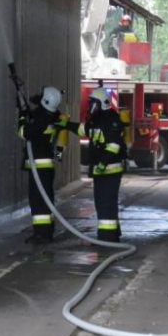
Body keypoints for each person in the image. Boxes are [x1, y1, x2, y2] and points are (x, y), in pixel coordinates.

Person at [57, 88, 126, 242]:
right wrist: (67, 124)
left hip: (110, 171)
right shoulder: (97, 119)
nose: (90, 106)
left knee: (106, 204)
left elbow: (113, 146)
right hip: (101, 171)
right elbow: (83, 129)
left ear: (101, 103)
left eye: (92, 103)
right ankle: (111, 235)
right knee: (102, 204)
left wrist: (102, 163)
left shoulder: (111, 120)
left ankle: (107, 237)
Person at [18, 86, 66, 244]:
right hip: (45, 166)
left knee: (38, 201)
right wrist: (27, 108)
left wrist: (21, 115)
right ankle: (47, 230)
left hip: (38, 167)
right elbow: (37, 116)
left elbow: (24, 132)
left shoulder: (42, 119)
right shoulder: (53, 116)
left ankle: (42, 234)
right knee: (45, 199)